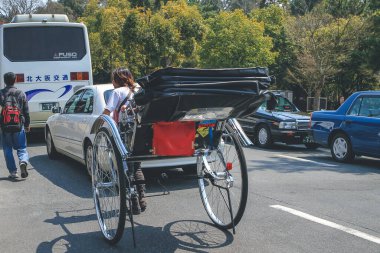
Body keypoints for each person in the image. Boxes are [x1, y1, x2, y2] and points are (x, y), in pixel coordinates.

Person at [102, 67, 147, 214]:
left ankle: (133, 203)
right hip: (141, 131)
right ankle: (142, 198)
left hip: (126, 131)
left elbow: (107, 112)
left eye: (113, 79)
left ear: (116, 79)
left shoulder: (117, 92)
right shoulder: (138, 90)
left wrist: (98, 123)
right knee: (137, 167)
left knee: (126, 168)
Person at [0, 72, 30, 179]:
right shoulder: (21, 93)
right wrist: (27, 124)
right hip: (19, 125)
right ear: (15, 80)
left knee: (7, 148)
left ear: (4, 81)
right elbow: (26, 111)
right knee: (22, 147)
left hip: (5, 127)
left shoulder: (1, 93)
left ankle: (13, 171)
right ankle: (23, 161)